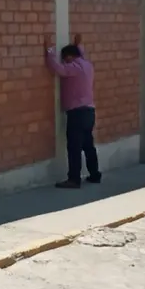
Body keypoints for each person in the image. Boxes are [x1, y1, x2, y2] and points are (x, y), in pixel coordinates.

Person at [45, 34, 101, 188]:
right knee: (88, 145)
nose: (64, 61)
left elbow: (56, 68)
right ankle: (95, 174)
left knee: (74, 146)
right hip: (89, 112)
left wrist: (49, 50)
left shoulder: (73, 68)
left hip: (77, 113)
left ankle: (74, 179)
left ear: (68, 57)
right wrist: (79, 45)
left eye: (64, 58)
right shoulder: (87, 65)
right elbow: (79, 55)